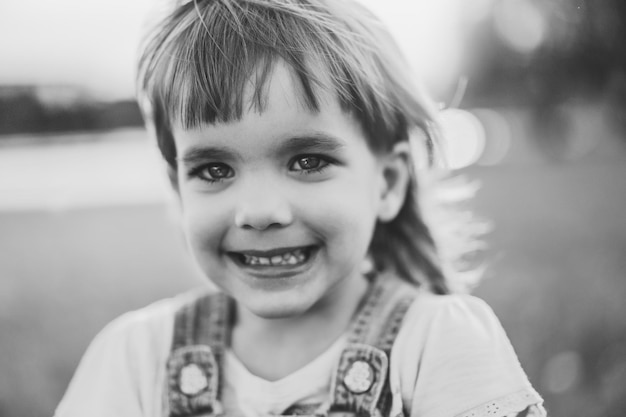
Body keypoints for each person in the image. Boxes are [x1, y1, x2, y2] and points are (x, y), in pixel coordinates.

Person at [55, 0, 546, 416]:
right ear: (178, 188)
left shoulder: (439, 344)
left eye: (308, 161)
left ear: (388, 183)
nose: (260, 212)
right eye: (214, 170)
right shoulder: (135, 358)